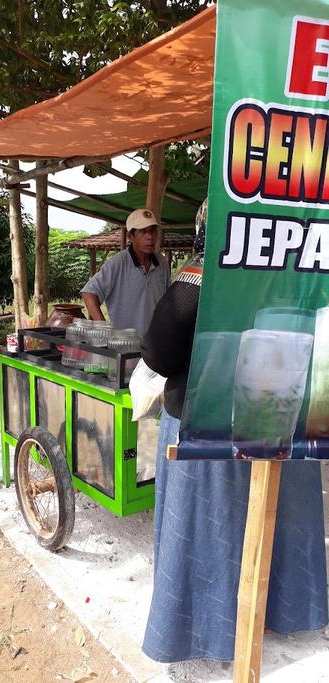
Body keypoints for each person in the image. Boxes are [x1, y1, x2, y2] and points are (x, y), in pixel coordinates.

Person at [141, 201, 328, 663]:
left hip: (213, 436)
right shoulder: (305, 273)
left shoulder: (202, 277)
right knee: (284, 522)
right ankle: (287, 612)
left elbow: (161, 352)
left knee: (216, 530)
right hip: (287, 423)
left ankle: (213, 634)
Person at [81, 208, 170, 338]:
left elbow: (168, 302)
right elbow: (89, 293)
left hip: (154, 345)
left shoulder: (161, 263)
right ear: (130, 236)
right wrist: (104, 329)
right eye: (143, 232)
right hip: (125, 346)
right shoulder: (119, 262)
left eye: (153, 231)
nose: (150, 237)